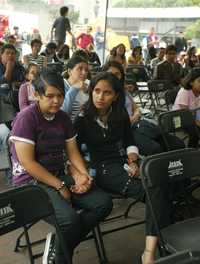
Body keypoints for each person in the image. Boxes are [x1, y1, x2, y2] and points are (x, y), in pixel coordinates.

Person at [9, 69, 112, 264]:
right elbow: (28, 163)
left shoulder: (62, 118)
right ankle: (61, 258)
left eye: (60, 96)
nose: (56, 101)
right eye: (50, 96)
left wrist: (83, 175)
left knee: (103, 203)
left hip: (57, 173)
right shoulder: (27, 118)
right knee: (69, 220)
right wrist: (59, 185)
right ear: (37, 95)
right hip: (30, 182)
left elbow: (72, 152)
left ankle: (59, 245)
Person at [74, 72, 172, 264]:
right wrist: (82, 174)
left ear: (116, 96)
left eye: (107, 93)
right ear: (91, 91)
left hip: (125, 162)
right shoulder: (82, 120)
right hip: (103, 169)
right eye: (97, 91)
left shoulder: (119, 114)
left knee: (163, 180)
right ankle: (150, 252)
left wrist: (133, 160)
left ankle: (158, 244)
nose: (100, 97)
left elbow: (129, 140)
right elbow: (73, 152)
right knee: (155, 191)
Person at [173, 67, 200, 147]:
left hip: (194, 115)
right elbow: (185, 113)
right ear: (191, 82)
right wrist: (197, 122)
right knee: (195, 132)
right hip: (179, 118)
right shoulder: (185, 92)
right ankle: (191, 150)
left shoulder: (198, 90)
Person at [61, 56, 89, 122]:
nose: (84, 73)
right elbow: (63, 113)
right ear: (69, 71)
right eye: (80, 69)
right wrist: (74, 89)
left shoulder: (87, 86)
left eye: (86, 70)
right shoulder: (60, 85)